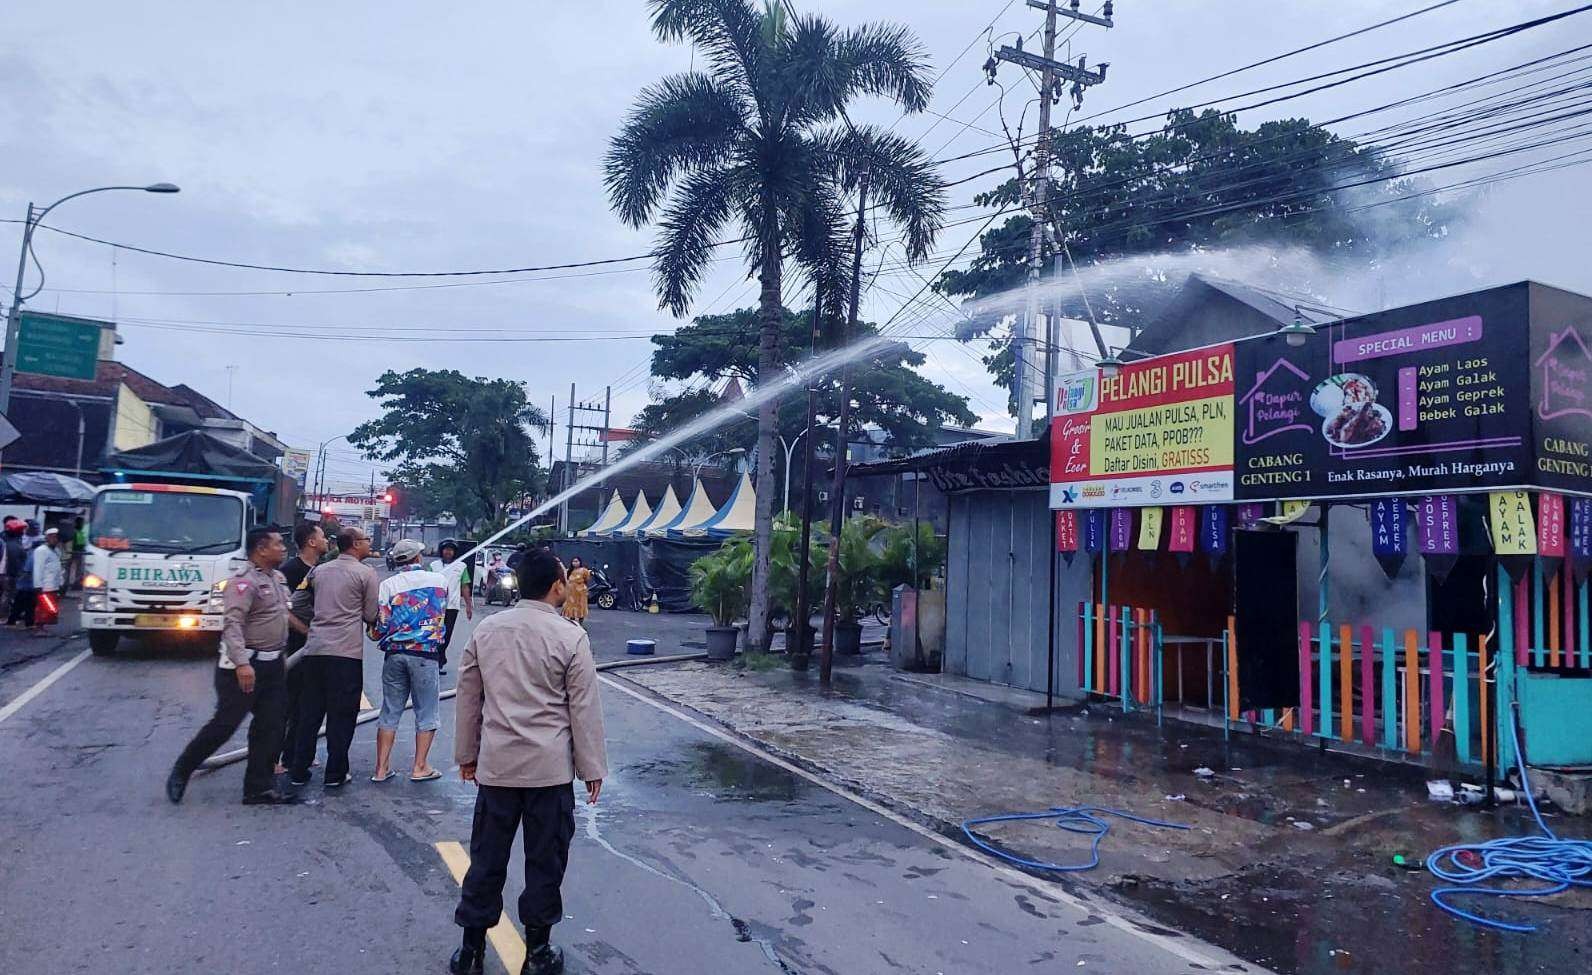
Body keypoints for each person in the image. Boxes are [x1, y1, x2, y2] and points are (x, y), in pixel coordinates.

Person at [450, 551, 606, 975]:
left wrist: (467, 755)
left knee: (486, 859)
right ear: (558, 586)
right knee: (545, 863)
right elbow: (584, 709)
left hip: (497, 769)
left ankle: (470, 953)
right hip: (549, 773)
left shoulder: (488, 629)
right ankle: (537, 954)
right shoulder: (570, 636)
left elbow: (468, 698)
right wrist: (592, 768)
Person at [166, 527, 296, 806]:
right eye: (278, 544)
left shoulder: (278, 579)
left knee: (271, 726)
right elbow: (233, 624)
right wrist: (242, 663)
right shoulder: (243, 583)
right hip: (243, 667)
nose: (283, 548)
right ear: (261, 549)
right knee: (225, 725)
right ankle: (183, 769)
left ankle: (258, 788)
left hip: (273, 666)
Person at [288, 526, 378, 788]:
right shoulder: (366, 574)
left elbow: (299, 602)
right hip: (346, 654)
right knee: (342, 716)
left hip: (315, 651)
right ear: (354, 544)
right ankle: (335, 773)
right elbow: (371, 613)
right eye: (365, 540)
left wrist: (316, 623)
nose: (368, 543)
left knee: (310, 713)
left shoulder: (318, 571)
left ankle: (298, 770)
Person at [371, 539, 448, 783]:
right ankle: (420, 766)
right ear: (417, 558)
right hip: (425, 654)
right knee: (426, 711)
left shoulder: (388, 585)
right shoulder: (439, 581)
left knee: (390, 710)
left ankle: (381, 770)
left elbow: (381, 625)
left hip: (394, 654)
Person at [278, 522, 328, 771]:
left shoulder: (319, 570)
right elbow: (283, 610)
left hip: (313, 648)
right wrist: (307, 632)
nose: (326, 540)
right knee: (287, 704)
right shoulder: (290, 570)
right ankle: (273, 757)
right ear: (311, 542)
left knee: (305, 704)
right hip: (294, 645)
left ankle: (295, 754)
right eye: (322, 536)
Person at [430, 539, 473, 675]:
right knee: (433, 634)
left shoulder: (461, 566)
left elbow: (465, 586)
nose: (448, 552)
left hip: (451, 607)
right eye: (445, 549)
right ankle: (435, 660)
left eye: (451, 549)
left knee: (446, 636)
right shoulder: (433, 565)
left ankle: (439, 660)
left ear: (454, 552)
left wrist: (468, 606)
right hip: (435, 607)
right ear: (441, 551)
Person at [25, 529, 63, 635]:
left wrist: (61, 582)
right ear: (47, 538)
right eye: (52, 537)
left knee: (50, 609)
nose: (54, 540)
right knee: (42, 608)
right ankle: (39, 628)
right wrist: (38, 585)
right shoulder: (41, 551)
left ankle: (44, 627)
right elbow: (38, 568)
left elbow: (58, 568)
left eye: (56, 537)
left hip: (54, 585)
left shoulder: (56, 551)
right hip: (45, 585)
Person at [1, 518, 27, 615]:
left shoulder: (4, 542)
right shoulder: (17, 547)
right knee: (8, 595)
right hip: (10, 575)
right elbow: (16, 563)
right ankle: (3, 615)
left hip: (5, 574)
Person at [562, 557, 591, 626]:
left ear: (580, 562)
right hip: (571, 592)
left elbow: (586, 579)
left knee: (581, 606)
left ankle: (581, 623)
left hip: (581, 591)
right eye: (574, 561)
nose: (575, 563)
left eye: (577, 561)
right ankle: (572, 622)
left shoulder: (584, 570)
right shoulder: (569, 571)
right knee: (571, 605)